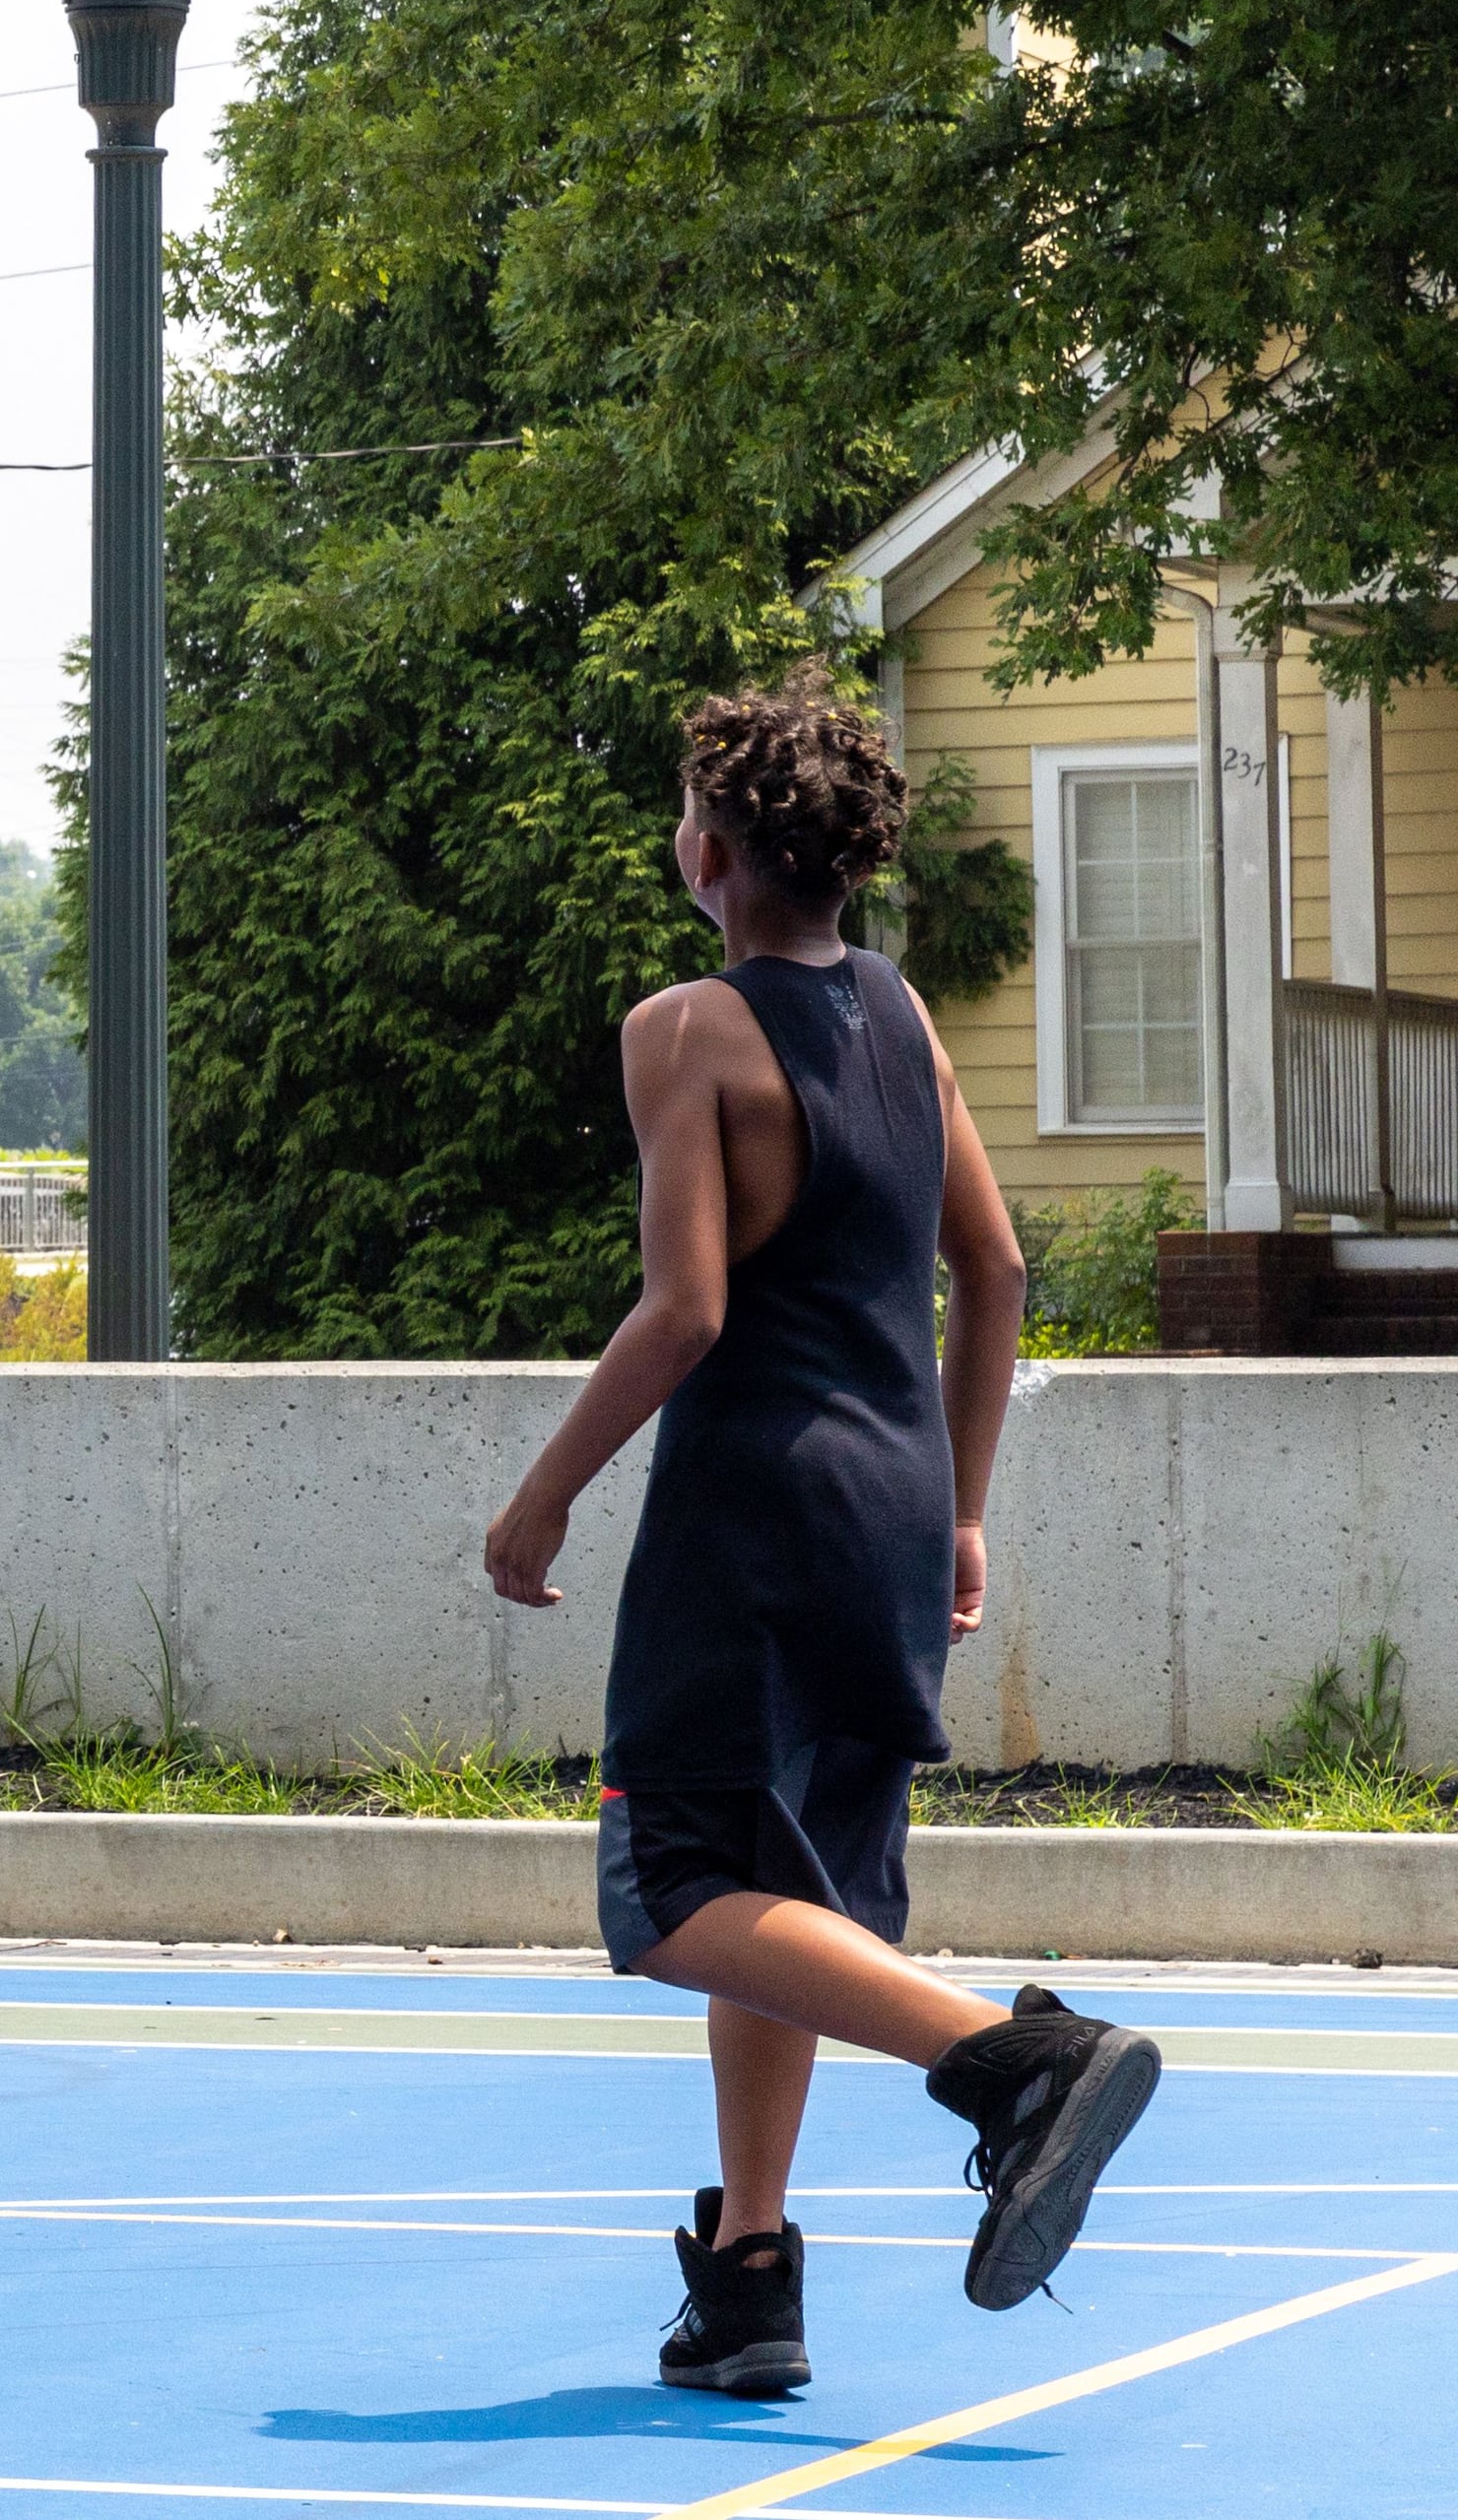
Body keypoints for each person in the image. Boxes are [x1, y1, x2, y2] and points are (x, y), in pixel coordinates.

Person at [482, 678, 1158, 2399]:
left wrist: (545, 1485)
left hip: (753, 1516)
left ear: (707, 847)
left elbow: (684, 1308)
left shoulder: (686, 1028)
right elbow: (996, 1271)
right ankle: (750, 2274)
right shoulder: (901, 1013)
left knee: (672, 1888)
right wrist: (965, 1501)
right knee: (789, 1893)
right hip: (890, 1506)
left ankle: (1012, 2063)